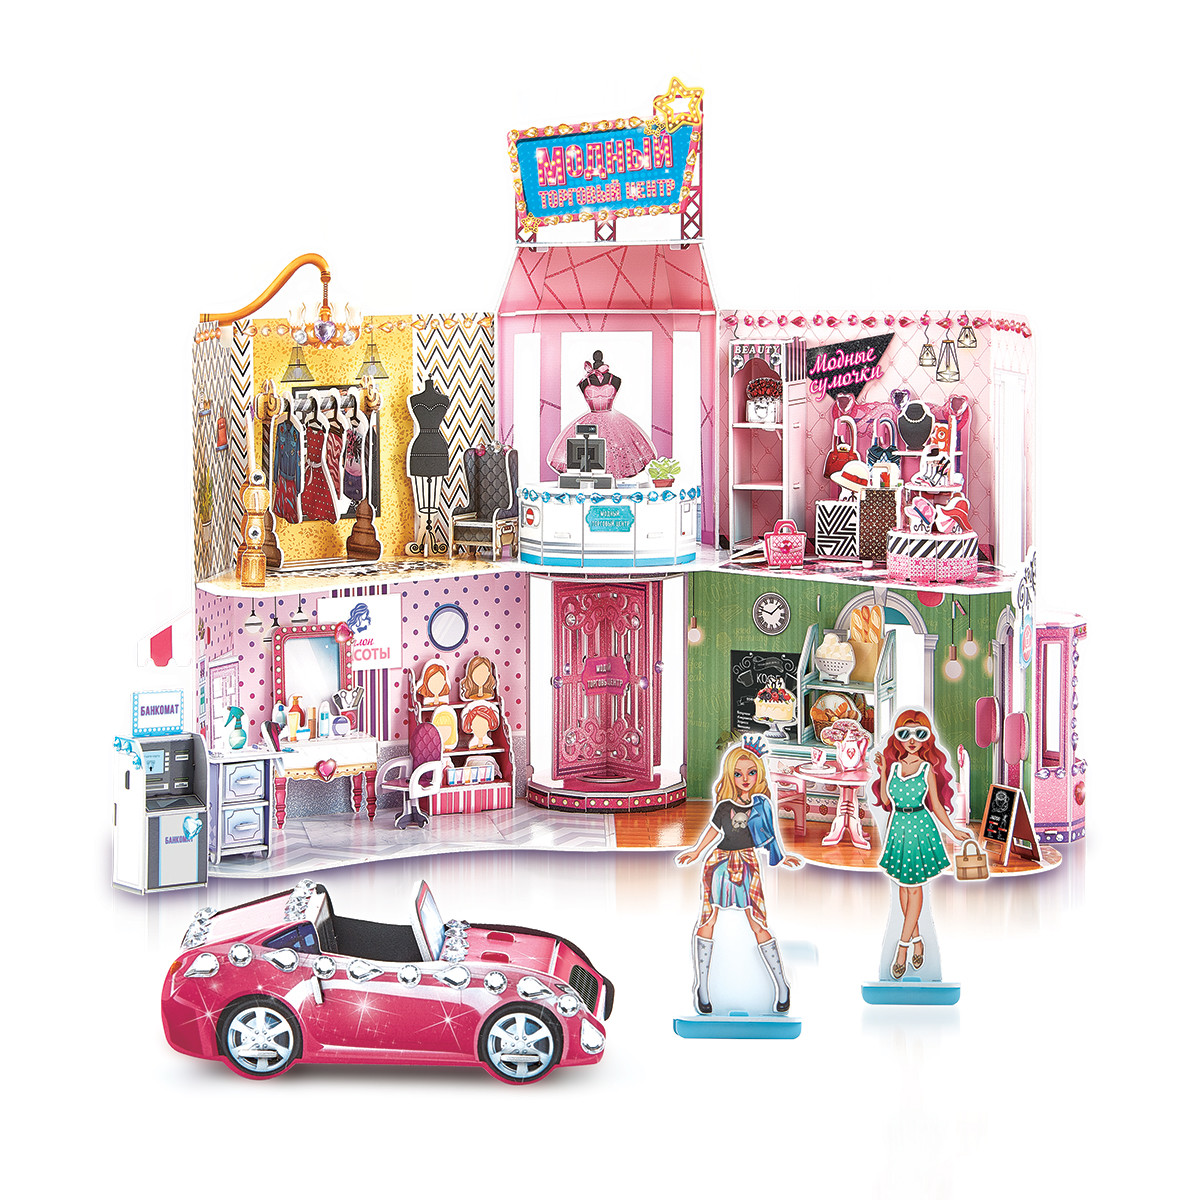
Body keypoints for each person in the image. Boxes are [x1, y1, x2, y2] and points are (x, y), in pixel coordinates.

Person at [676, 737, 802, 1014]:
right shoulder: (724, 806)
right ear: (730, 775)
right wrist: (696, 851)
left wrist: (782, 857)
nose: (745, 779)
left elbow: (770, 836)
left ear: (759, 774)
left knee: (758, 921)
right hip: (719, 862)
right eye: (738, 773)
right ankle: (703, 988)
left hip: (747, 862)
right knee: (707, 919)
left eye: (751, 772)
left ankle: (782, 985)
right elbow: (714, 831)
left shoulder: (762, 805)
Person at [871, 709, 973, 979]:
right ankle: (917, 941)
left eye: (919, 733)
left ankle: (902, 948)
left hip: (920, 827)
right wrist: (883, 771)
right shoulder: (894, 768)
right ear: (897, 737)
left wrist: (953, 831)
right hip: (898, 828)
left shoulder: (927, 769)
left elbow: (936, 805)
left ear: (927, 737)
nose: (912, 740)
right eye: (905, 733)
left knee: (914, 889)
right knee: (904, 890)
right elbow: (886, 800)